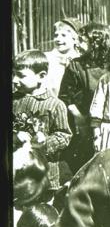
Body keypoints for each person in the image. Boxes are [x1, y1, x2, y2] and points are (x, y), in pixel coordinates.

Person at [13, 50, 72, 191]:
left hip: (45, 171)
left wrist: (45, 142)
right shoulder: (13, 101)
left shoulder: (56, 105)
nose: (14, 80)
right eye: (13, 74)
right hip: (17, 170)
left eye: (21, 76)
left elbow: (64, 136)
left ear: (41, 76)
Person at [58, 22, 110, 172]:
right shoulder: (76, 65)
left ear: (96, 42)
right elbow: (64, 96)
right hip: (83, 119)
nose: (77, 43)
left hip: (109, 120)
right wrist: (78, 117)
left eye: (82, 40)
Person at [44, 18, 82, 98]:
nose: (58, 39)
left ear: (75, 39)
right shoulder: (46, 58)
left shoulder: (80, 61)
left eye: (63, 35)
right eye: (56, 35)